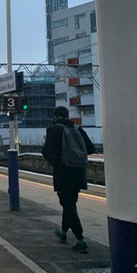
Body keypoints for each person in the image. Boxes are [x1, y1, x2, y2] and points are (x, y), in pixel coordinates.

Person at [42, 106, 95, 253]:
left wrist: (59, 162)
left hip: (63, 173)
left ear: (55, 116)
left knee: (68, 205)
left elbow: (46, 151)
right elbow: (91, 149)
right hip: (78, 172)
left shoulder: (54, 130)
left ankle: (81, 240)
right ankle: (64, 232)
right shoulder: (78, 129)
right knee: (70, 203)